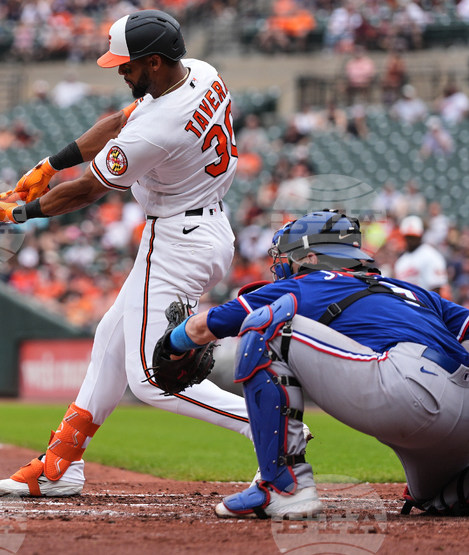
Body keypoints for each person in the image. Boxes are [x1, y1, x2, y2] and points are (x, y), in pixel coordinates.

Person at [0, 9, 251, 497]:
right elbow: (117, 122)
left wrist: (21, 214)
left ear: (152, 62)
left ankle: (271, 428)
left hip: (177, 238)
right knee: (110, 337)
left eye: (126, 64)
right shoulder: (202, 73)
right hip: (200, 225)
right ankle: (63, 463)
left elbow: (87, 190)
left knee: (151, 377)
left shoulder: (160, 126)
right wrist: (49, 164)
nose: (119, 71)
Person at [160, 211, 469, 518]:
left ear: (310, 257)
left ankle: (283, 487)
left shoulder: (310, 282)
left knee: (266, 325)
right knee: (435, 495)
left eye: (289, 257)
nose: (282, 264)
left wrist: (170, 345)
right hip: (460, 409)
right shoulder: (413, 291)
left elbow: (202, 328)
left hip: (412, 395)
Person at [394, 215, 449, 296]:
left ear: (421, 235)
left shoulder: (431, 256)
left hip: (424, 306)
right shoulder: (400, 261)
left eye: (414, 237)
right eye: (408, 237)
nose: (410, 240)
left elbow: (437, 290)